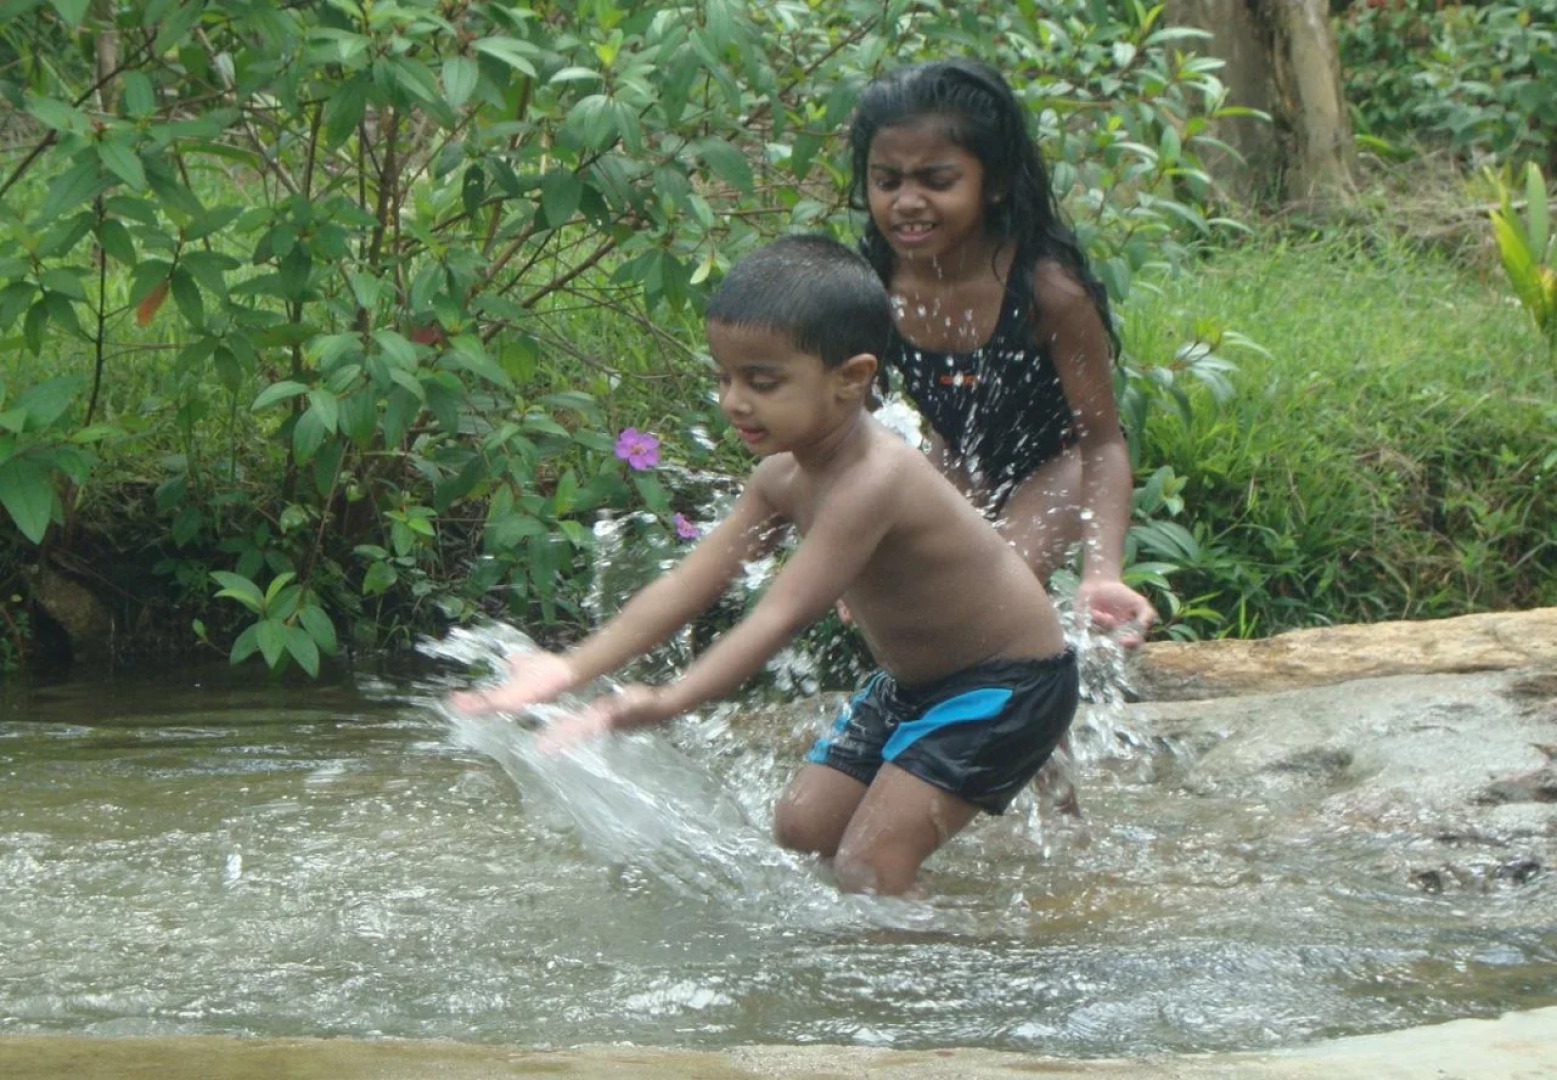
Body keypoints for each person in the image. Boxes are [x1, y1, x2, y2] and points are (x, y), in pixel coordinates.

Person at [453, 235, 1080, 897]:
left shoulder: (874, 479)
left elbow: (780, 616)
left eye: (762, 381)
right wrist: (569, 667)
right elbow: (690, 583)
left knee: (869, 865)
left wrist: (669, 700)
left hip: (1008, 685)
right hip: (913, 686)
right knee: (803, 829)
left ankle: (967, 959)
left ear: (851, 379)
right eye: (723, 377)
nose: (733, 401)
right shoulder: (780, 477)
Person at [848, 58, 1157, 646]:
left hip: (1058, 465)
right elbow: (852, 429)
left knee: (979, 609)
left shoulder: (1048, 292)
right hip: (957, 458)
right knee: (910, 610)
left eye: (937, 181)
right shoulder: (873, 284)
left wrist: (1101, 573)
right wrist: (852, 548)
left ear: (994, 183)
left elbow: (1101, 442)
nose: (907, 201)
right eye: (887, 181)